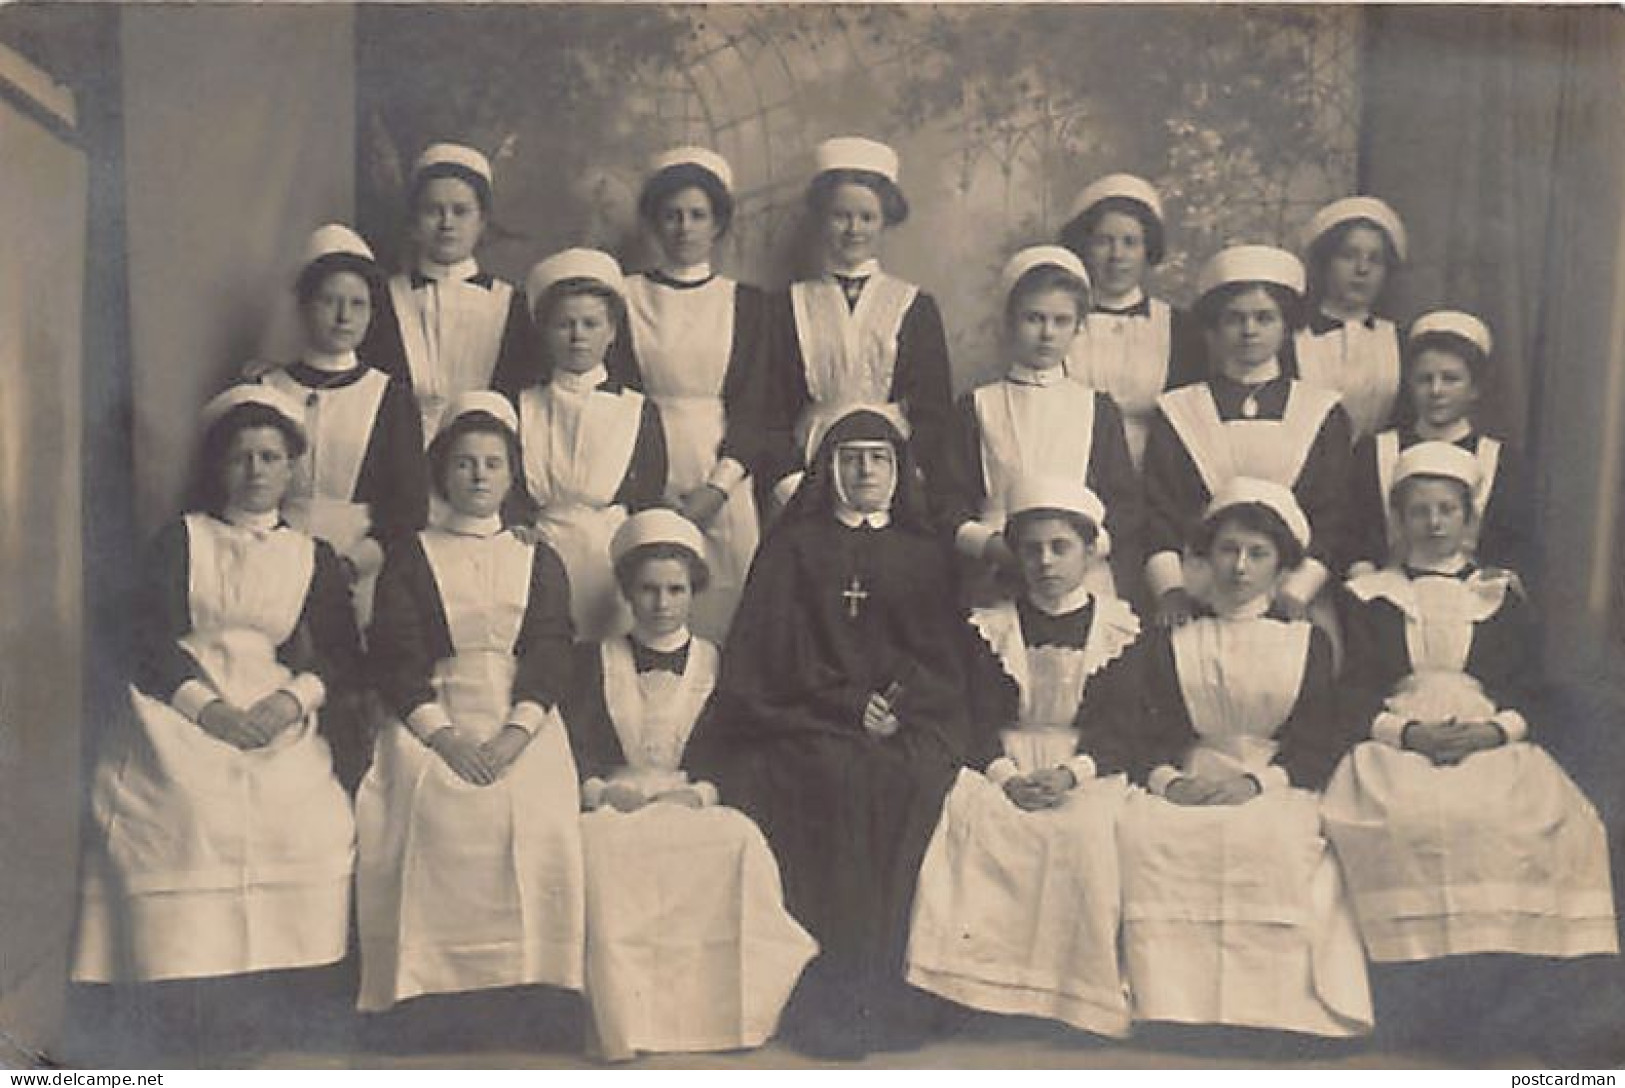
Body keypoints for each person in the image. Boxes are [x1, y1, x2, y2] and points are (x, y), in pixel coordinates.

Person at [692, 406, 982, 1059]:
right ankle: (823, 996)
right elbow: (770, 655)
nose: (865, 470)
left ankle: (890, 993)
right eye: (849, 458)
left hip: (904, 723)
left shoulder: (923, 551)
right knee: (828, 781)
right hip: (806, 719)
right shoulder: (794, 547)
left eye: (878, 458)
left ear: (898, 469)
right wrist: (849, 706)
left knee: (909, 782)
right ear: (827, 469)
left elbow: (940, 656)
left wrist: (895, 708)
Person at [75, 385, 360, 989]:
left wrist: (290, 702)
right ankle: (189, 984)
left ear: (290, 468)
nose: (255, 470)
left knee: (308, 814)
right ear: (217, 467)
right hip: (181, 699)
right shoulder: (182, 538)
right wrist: (208, 712)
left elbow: (340, 654)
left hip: (274, 704)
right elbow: (144, 639)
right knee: (192, 809)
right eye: (240, 457)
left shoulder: (313, 555)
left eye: (269, 457)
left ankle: (272, 988)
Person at [1323, 441, 1616, 966]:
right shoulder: (1370, 596)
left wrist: (1493, 732)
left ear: (1467, 518)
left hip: (1487, 736)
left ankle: (1498, 972)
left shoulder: (1499, 593)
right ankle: (1416, 975)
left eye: (1446, 510)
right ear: (1397, 519)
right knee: (1406, 817)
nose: (1433, 524)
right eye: (1419, 511)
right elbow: (1352, 691)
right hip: (1395, 738)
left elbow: (1528, 687)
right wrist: (1409, 734)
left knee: (1511, 818)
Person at [1116, 479, 1372, 1038]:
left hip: (1276, 780)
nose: (1239, 567)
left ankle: (1274, 1012)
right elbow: (1144, 732)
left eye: (1258, 554)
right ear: (1204, 557)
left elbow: (1317, 740)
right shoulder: (1172, 639)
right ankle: (1173, 1009)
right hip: (1190, 773)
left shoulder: (1306, 642)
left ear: (1281, 565)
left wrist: (1256, 785)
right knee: (1149, 834)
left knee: (1275, 839)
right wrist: (1170, 781)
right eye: (1228, 550)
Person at [357, 391, 583, 1013]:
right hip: (432, 711)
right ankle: (424, 998)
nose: (479, 475)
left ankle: (530, 994)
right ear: (442, 474)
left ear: (512, 476)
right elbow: (395, 655)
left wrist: (515, 733)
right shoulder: (410, 556)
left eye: (492, 463)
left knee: (537, 809)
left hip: (522, 714)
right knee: (420, 800)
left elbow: (551, 647)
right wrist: (445, 737)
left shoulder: (536, 554)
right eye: (464, 463)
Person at [562, 508, 816, 1061]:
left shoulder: (718, 664)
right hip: (615, 799)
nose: (661, 603)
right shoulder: (592, 662)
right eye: (648, 589)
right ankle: (626, 1019)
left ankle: (720, 1017)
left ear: (693, 592)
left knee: (738, 843)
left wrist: (700, 793)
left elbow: (740, 748)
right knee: (596, 846)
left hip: (695, 798)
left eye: (675, 589)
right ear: (627, 592)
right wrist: (601, 792)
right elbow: (571, 744)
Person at [906, 475, 1140, 1038]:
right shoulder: (988, 626)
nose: (1045, 561)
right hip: (1000, 762)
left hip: (1086, 767)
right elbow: (970, 718)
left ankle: (1071, 1003)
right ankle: (977, 999)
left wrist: (1069, 774)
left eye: (1061, 547)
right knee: (976, 822)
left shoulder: (1122, 628)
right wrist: (1006, 775)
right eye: (1032, 548)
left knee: (1085, 836)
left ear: (1089, 551)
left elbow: (1127, 726)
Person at [1142, 245, 1352, 631]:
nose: (1249, 330)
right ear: (1214, 327)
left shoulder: (1321, 410)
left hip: (1295, 589)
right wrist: (1171, 589)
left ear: (1286, 326)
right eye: (1235, 319)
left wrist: (1299, 591)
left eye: (1264, 318)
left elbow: (1333, 514)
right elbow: (1160, 512)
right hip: (1198, 590)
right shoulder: (1179, 409)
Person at [933, 245, 1141, 599]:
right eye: (1034, 318)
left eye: (1061, 321)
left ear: (1078, 328)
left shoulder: (1097, 408)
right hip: (995, 568)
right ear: (1010, 322)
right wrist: (988, 545)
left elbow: (1125, 503)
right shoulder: (977, 405)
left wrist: (1086, 549)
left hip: (1081, 571)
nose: (1047, 333)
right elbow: (946, 499)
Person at [621, 147, 771, 640]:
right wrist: (650, 488)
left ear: (718, 224)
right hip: (643, 472)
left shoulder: (747, 304)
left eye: (697, 215)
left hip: (724, 476)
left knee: (729, 620)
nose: (684, 227)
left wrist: (716, 489)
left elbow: (756, 408)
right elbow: (616, 398)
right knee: (649, 610)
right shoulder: (624, 298)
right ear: (654, 224)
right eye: (672, 215)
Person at [759, 137, 954, 510]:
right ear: (820, 220)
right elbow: (771, 407)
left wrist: (910, 471)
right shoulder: (786, 305)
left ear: (885, 222)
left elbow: (935, 410)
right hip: (809, 463)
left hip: (890, 464)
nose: (853, 229)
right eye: (841, 216)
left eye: (867, 217)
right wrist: (789, 480)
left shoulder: (915, 305)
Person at [258, 223, 429, 627]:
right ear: (303, 306)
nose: (343, 317)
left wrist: (352, 565)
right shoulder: (268, 388)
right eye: (329, 301)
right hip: (272, 553)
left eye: (358, 304)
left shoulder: (391, 396)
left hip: (362, 563)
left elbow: (407, 508)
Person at [514, 248, 668, 641]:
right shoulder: (524, 404)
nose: (577, 335)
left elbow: (647, 496)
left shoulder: (636, 409)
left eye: (590, 323)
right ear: (544, 331)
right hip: (536, 550)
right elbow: (511, 486)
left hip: (609, 553)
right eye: (564, 324)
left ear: (612, 331)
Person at [362, 143, 533, 444]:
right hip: (399, 462)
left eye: (461, 211)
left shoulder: (514, 306)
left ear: (482, 222)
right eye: (433, 211)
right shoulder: (380, 301)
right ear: (414, 222)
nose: (447, 224)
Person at [1345, 310, 1532, 578]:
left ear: (1475, 388)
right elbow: (1354, 536)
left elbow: (1514, 547)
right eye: (1425, 379)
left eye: (1450, 379)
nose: (1436, 391)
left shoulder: (1503, 462)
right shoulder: (1374, 452)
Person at [1058, 173, 1206, 469]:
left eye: (1130, 242)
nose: (1117, 256)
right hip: (1070, 467)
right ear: (1083, 247)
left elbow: (1192, 423)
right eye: (1103, 241)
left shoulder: (1180, 328)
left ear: (1147, 249)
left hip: (1156, 476)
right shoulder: (1058, 321)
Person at [1288, 197, 1409, 445]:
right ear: (1325, 263)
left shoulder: (1401, 342)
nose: (1362, 269)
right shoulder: (1291, 339)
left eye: (1375, 259)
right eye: (1348, 255)